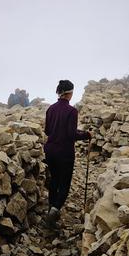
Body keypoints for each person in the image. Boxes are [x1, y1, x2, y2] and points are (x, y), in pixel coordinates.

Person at [43, 80, 91, 228]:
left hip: (50, 150)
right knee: (64, 183)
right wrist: (86, 135)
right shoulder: (72, 111)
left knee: (54, 181)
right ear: (69, 93)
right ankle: (54, 211)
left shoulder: (50, 109)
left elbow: (47, 131)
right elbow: (71, 134)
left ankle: (51, 210)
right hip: (65, 152)